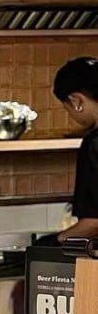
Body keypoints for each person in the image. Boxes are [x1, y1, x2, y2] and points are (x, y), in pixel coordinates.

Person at [53, 56, 98, 241]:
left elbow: (95, 221)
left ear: (77, 100)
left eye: (67, 109)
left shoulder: (95, 144)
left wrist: (57, 241)